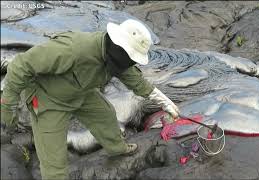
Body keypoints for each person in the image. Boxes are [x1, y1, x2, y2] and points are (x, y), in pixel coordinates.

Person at [1, 19, 180, 180]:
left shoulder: (120, 58)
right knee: (53, 160)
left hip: (81, 91)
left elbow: (138, 82)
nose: (127, 63)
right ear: (115, 44)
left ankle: (118, 148)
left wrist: (165, 102)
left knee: (106, 115)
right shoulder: (72, 49)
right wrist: (8, 105)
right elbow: (19, 66)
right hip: (48, 99)